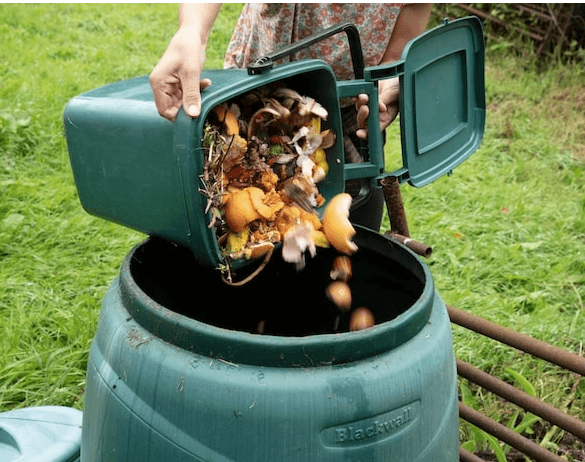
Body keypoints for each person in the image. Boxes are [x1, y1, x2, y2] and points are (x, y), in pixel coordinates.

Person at [150, 3, 432, 231]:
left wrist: (388, 79)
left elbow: (402, 38)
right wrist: (193, 30)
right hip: (253, 102)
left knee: (352, 229)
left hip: (349, 113)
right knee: (239, 217)